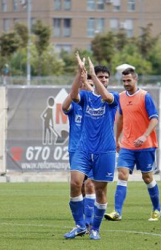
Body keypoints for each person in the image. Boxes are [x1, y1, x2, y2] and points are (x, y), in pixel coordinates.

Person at [63, 53, 119, 240]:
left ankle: (95, 228)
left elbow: (104, 95)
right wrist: (80, 72)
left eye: (105, 77)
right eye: (99, 76)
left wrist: (93, 74)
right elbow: (73, 96)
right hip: (83, 148)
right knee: (75, 183)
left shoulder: (113, 98)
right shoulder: (86, 97)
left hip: (105, 150)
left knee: (100, 190)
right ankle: (79, 225)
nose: (102, 79)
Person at [104, 67, 161, 222]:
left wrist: (144, 136)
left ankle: (156, 209)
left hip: (146, 144)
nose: (126, 83)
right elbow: (120, 120)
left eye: (129, 80)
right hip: (127, 145)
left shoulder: (145, 97)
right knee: (122, 174)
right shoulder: (121, 97)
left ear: (135, 79)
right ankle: (117, 212)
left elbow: (154, 119)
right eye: (124, 81)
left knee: (147, 178)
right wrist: (117, 139)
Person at [62, 62, 95, 232]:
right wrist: (78, 76)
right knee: (78, 185)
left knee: (90, 185)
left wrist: (87, 83)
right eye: (83, 82)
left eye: (87, 82)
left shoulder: (96, 103)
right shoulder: (75, 102)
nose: (84, 84)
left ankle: (88, 222)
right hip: (76, 149)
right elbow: (64, 106)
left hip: (93, 149)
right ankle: (80, 222)